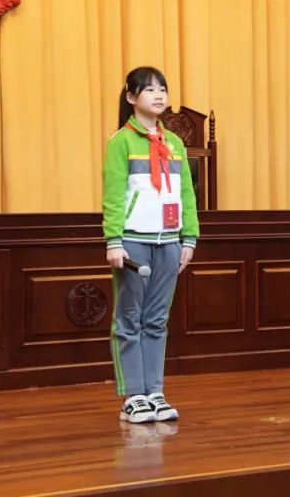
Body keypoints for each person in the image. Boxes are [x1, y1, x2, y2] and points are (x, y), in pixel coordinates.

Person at [103, 66, 199, 422]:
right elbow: (113, 196)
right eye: (149, 89)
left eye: (163, 89)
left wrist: (189, 236)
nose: (159, 95)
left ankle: (155, 391)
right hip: (133, 242)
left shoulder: (174, 143)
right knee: (129, 319)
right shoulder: (121, 142)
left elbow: (186, 193)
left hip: (169, 241)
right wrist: (114, 240)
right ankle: (133, 395)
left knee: (157, 320)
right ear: (131, 97)